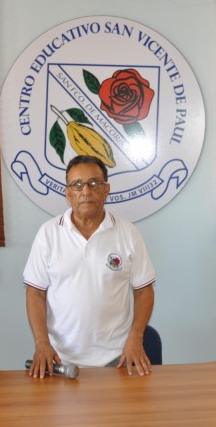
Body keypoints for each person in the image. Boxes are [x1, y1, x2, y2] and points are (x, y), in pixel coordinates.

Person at [23, 155, 156, 378]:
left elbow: (144, 291)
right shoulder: (48, 234)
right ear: (67, 193)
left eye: (94, 183)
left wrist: (136, 337)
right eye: (77, 184)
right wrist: (41, 343)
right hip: (60, 361)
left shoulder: (128, 233)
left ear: (106, 190)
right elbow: (35, 292)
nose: (85, 191)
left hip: (117, 359)